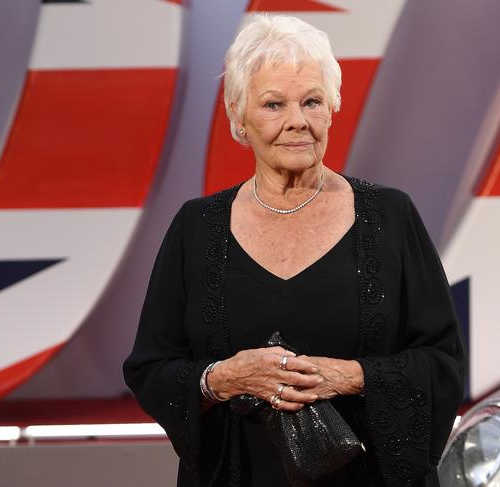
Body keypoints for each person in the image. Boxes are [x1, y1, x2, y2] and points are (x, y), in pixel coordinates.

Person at [123, 14, 464, 487]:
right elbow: (152, 368)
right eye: (273, 104)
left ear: (332, 109)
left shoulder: (390, 216)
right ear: (239, 118)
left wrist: (348, 376)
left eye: (312, 101)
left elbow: (442, 365)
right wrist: (224, 377)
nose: (297, 122)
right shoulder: (196, 228)